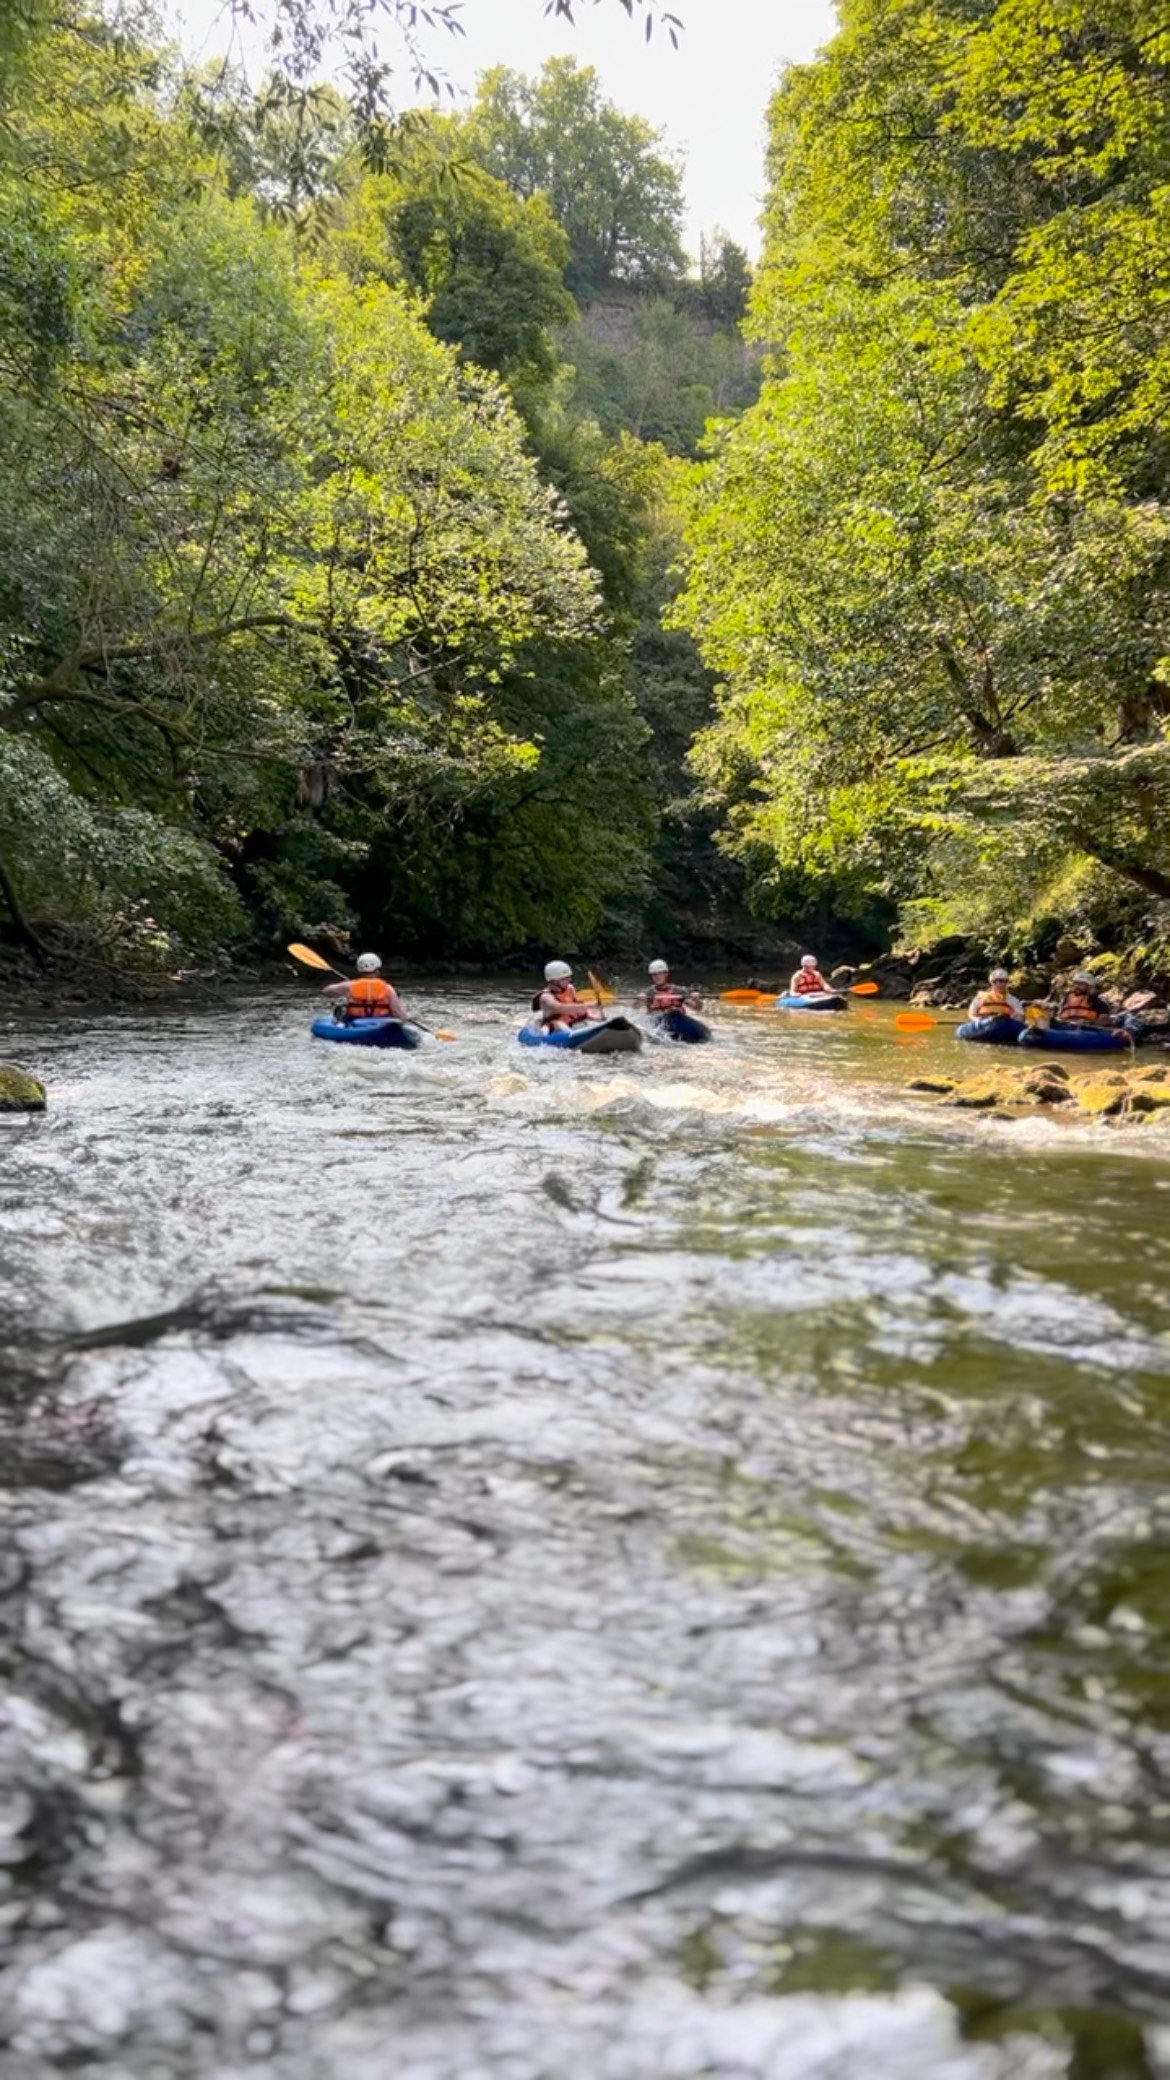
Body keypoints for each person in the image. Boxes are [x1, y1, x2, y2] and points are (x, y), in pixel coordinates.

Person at [323, 952, 409, 1024]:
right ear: (377, 970)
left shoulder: (351, 985)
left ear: (359, 969)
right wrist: (404, 1019)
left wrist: (347, 985)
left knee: (341, 1011)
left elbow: (326, 991)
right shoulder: (388, 988)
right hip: (381, 1022)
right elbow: (398, 1013)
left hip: (354, 1021)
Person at [533, 960, 598, 1031]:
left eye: (569, 977)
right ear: (554, 981)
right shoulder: (546, 997)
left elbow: (578, 1004)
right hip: (555, 1029)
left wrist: (594, 1012)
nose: (569, 979)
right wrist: (588, 1005)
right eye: (565, 978)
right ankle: (573, 1034)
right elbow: (561, 1008)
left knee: (589, 1013)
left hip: (571, 1023)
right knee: (558, 1023)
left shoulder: (570, 988)